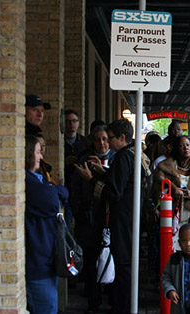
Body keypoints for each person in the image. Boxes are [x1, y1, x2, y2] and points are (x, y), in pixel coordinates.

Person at [74, 119, 145, 314]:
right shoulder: (131, 154)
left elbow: (114, 193)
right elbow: (122, 181)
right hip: (129, 219)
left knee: (122, 266)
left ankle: (121, 307)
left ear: (122, 138)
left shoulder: (123, 157)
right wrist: (103, 172)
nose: (108, 143)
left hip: (122, 220)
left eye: (110, 138)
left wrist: (92, 179)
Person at [70, 125, 116, 312]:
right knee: (90, 262)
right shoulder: (84, 161)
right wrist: (79, 211)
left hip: (110, 219)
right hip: (88, 219)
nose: (102, 143)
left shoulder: (116, 160)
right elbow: (75, 191)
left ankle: (112, 298)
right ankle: (93, 301)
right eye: (98, 139)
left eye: (105, 139)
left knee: (111, 258)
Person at [25, 135, 68, 314]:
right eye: (37, 152)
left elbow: (63, 192)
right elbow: (53, 200)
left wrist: (53, 189)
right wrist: (53, 189)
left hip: (47, 260)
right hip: (38, 264)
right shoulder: (27, 181)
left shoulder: (37, 179)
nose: (41, 157)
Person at [153, 135, 190, 247]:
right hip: (172, 214)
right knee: (171, 246)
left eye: (188, 145)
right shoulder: (163, 167)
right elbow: (156, 190)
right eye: (181, 146)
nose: (186, 148)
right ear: (175, 148)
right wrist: (173, 190)